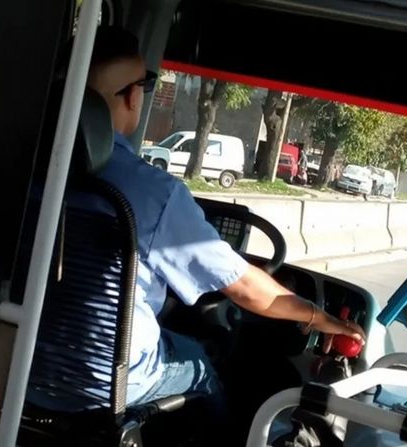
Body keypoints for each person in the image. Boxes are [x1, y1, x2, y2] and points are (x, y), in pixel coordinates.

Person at [81, 26, 366, 410]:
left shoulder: (28, 169)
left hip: (25, 364)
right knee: (203, 364)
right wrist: (319, 317)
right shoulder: (154, 193)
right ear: (132, 96)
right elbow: (247, 289)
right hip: (108, 381)